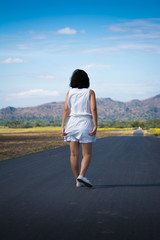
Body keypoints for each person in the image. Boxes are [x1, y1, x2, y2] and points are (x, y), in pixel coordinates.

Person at [61, 69, 97, 188]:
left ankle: (77, 181)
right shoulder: (90, 92)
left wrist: (62, 126)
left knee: (73, 155)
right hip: (85, 123)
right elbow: (93, 109)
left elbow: (66, 110)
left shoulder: (69, 92)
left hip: (71, 123)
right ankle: (81, 175)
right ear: (86, 80)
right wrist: (96, 125)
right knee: (87, 154)